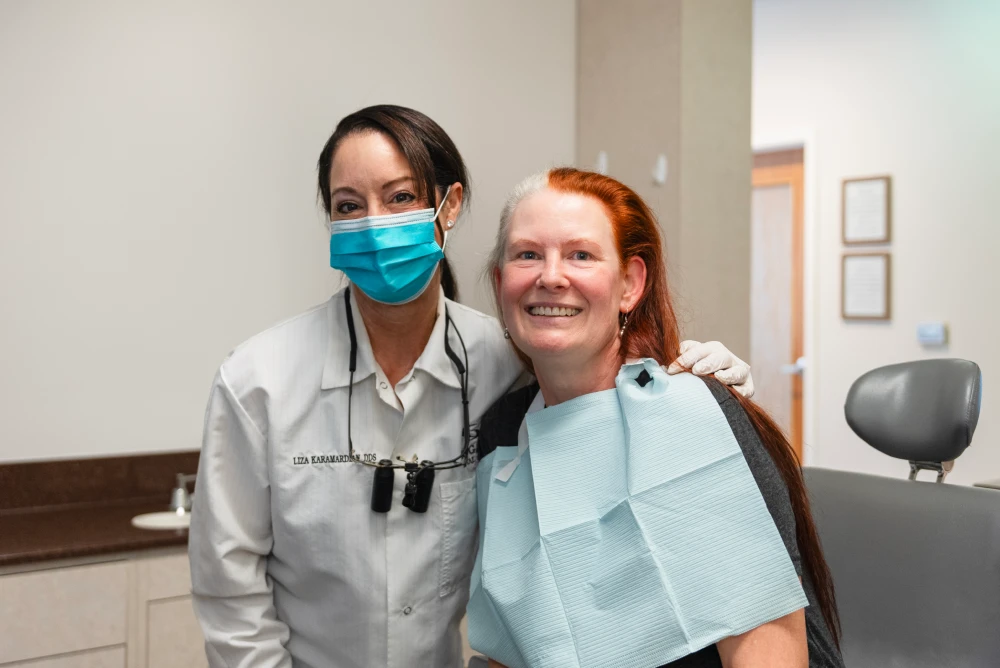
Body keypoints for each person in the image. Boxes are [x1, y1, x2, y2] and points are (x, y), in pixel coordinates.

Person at [188, 105, 756, 668]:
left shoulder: (502, 361)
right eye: (349, 206)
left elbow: (594, 387)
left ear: (449, 204)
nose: (374, 223)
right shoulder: (257, 381)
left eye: (401, 197)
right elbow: (230, 592)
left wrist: (687, 372)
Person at [472, 168, 844, 668]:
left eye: (580, 254)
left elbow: (766, 645)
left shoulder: (693, 416)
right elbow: (512, 642)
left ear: (630, 284)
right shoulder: (502, 435)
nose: (551, 276)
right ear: (501, 283)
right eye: (527, 254)